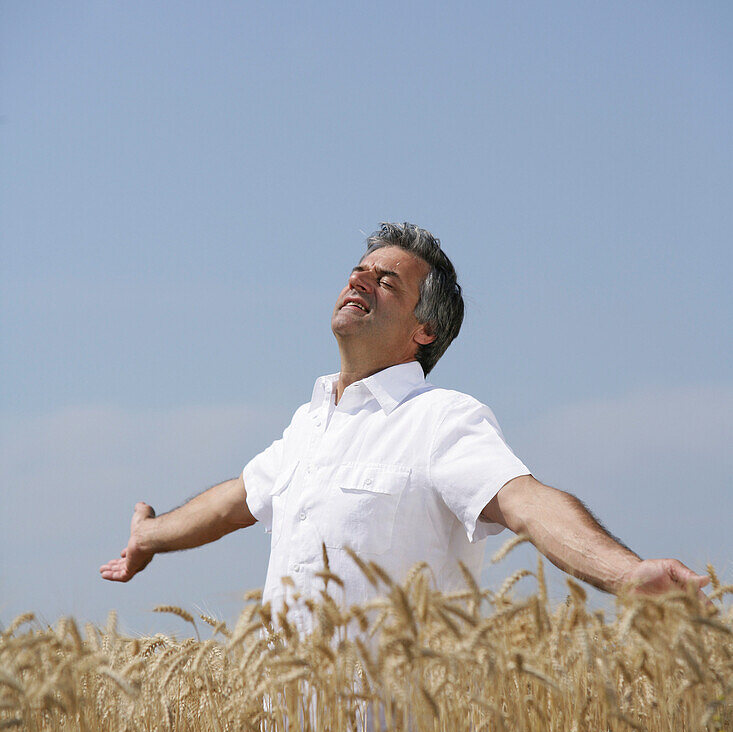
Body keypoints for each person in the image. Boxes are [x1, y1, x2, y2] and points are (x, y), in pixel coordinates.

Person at [100, 222, 709, 616]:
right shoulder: (307, 425)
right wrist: (147, 536)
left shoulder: (442, 420)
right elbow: (235, 501)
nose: (359, 276)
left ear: (424, 330)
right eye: (358, 270)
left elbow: (527, 503)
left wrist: (627, 574)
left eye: (386, 279)